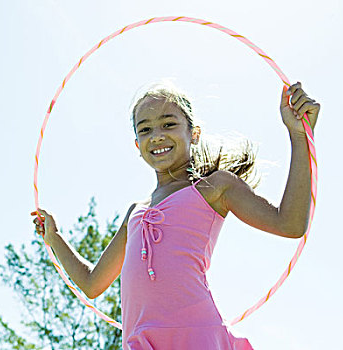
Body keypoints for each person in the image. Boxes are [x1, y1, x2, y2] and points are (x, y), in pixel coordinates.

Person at [31, 80, 320, 349]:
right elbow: (92, 284)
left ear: (193, 134)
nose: (157, 136)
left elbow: (290, 224)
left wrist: (299, 136)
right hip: (141, 342)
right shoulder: (136, 213)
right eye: (145, 130)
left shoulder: (213, 187)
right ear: (137, 145)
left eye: (168, 124)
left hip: (196, 335)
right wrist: (54, 238)